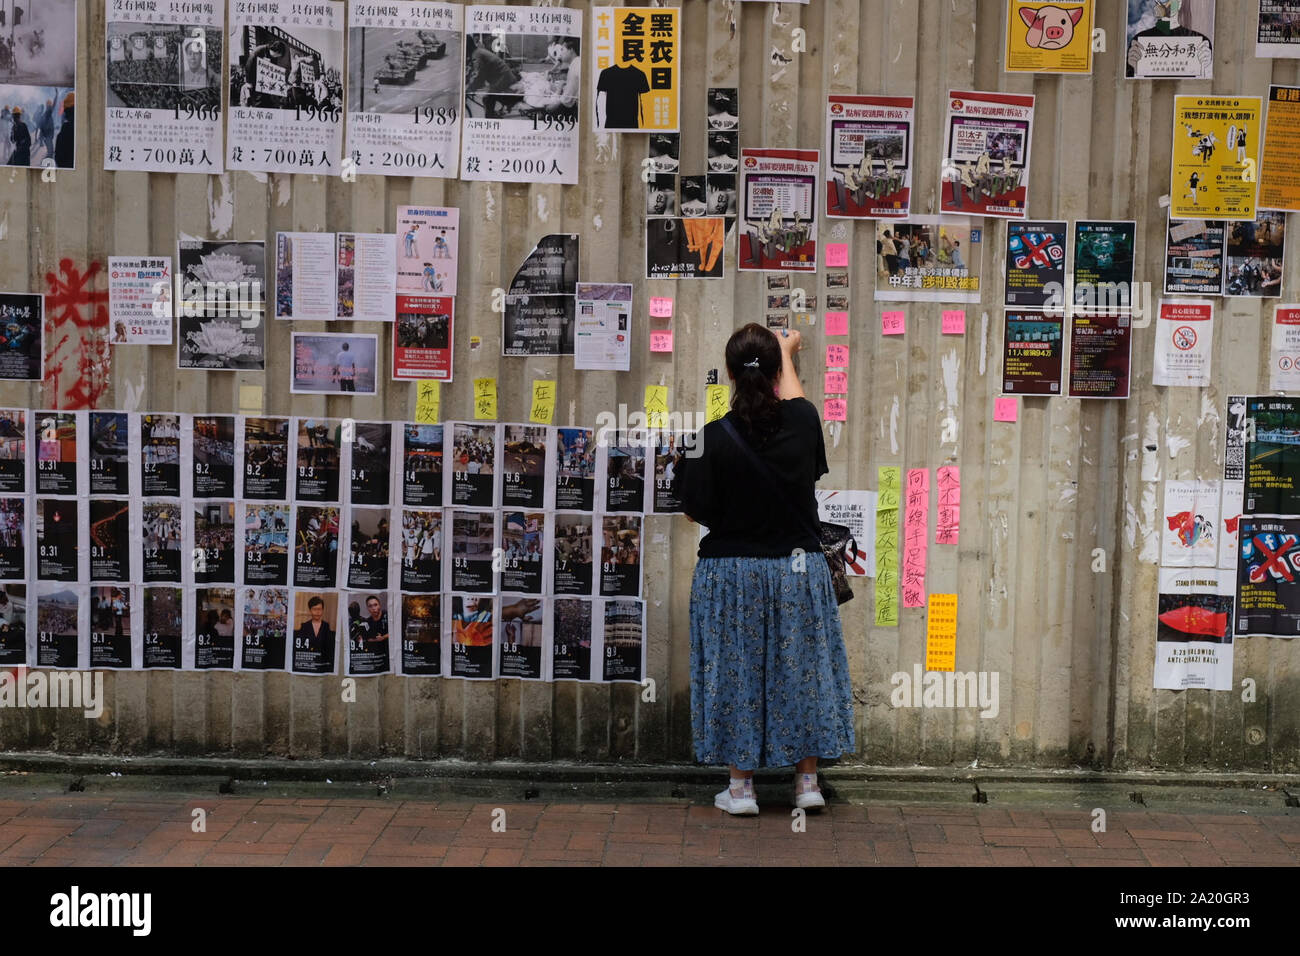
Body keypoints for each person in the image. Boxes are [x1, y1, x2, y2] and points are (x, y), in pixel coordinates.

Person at [673, 323, 855, 816]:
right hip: (797, 570)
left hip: (729, 572)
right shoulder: (804, 422)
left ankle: (740, 790)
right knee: (803, 669)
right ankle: (807, 783)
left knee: (736, 673)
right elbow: (793, 404)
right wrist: (788, 351)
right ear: (777, 373)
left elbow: (692, 511)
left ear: (729, 373)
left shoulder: (705, 438)